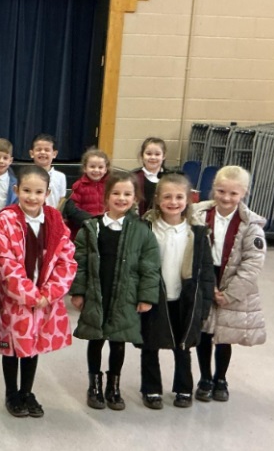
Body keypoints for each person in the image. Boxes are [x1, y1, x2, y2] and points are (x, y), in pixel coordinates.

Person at [0, 166, 76, 419]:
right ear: (17, 190)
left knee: (32, 345)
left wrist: (49, 293)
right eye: (27, 190)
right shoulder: (4, 223)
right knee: (12, 346)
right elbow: (4, 264)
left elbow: (67, 260)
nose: (32, 197)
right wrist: (31, 296)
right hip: (14, 299)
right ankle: (11, 393)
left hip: (45, 298)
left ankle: (27, 392)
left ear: (47, 193)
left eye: (38, 192)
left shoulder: (55, 222)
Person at [70, 171, 160, 411]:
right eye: (116, 193)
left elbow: (150, 266)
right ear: (106, 196)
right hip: (97, 293)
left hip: (125, 295)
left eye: (127, 194)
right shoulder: (91, 228)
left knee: (119, 342)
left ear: (135, 198)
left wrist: (146, 296)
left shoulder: (142, 230)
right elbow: (79, 263)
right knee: (96, 339)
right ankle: (94, 386)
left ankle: (113, 386)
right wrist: (78, 291)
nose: (121, 198)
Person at [191, 165, 266, 403]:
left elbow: (253, 263)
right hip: (205, 278)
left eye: (233, 193)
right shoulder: (197, 214)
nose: (226, 198)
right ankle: (204, 378)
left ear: (244, 193)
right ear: (213, 189)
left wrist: (231, 293)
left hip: (232, 282)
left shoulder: (251, 224)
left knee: (224, 334)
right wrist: (205, 285)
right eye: (221, 191)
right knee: (204, 332)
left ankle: (220, 378)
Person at [139, 173, 214, 409]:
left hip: (185, 298)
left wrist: (204, 305)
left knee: (183, 346)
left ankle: (183, 388)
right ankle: (151, 389)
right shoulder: (146, 228)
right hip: (154, 297)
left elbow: (206, 272)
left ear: (188, 200)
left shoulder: (197, 232)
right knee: (150, 344)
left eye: (179, 197)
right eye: (167, 197)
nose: (173, 202)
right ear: (157, 199)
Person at [61, 148, 110, 239]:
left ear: (105, 169)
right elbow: (74, 211)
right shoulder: (79, 186)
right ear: (85, 168)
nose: (96, 170)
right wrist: (89, 222)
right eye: (92, 166)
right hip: (84, 229)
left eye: (100, 167)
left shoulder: (110, 186)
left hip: (105, 228)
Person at [29, 134, 66, 208]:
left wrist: (55, 214)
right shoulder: (26, 175)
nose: (43, 152)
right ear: (32, 153)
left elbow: (61, 200)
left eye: (47, 150)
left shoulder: (60, 177)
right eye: (39, 149)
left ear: (54, 154)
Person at [133, 137, 168, 216]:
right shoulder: (133, 177)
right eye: (148, 154)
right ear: (142, 155)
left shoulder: (171, 177)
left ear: (163, 156)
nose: (153, 157)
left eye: (157, 154)